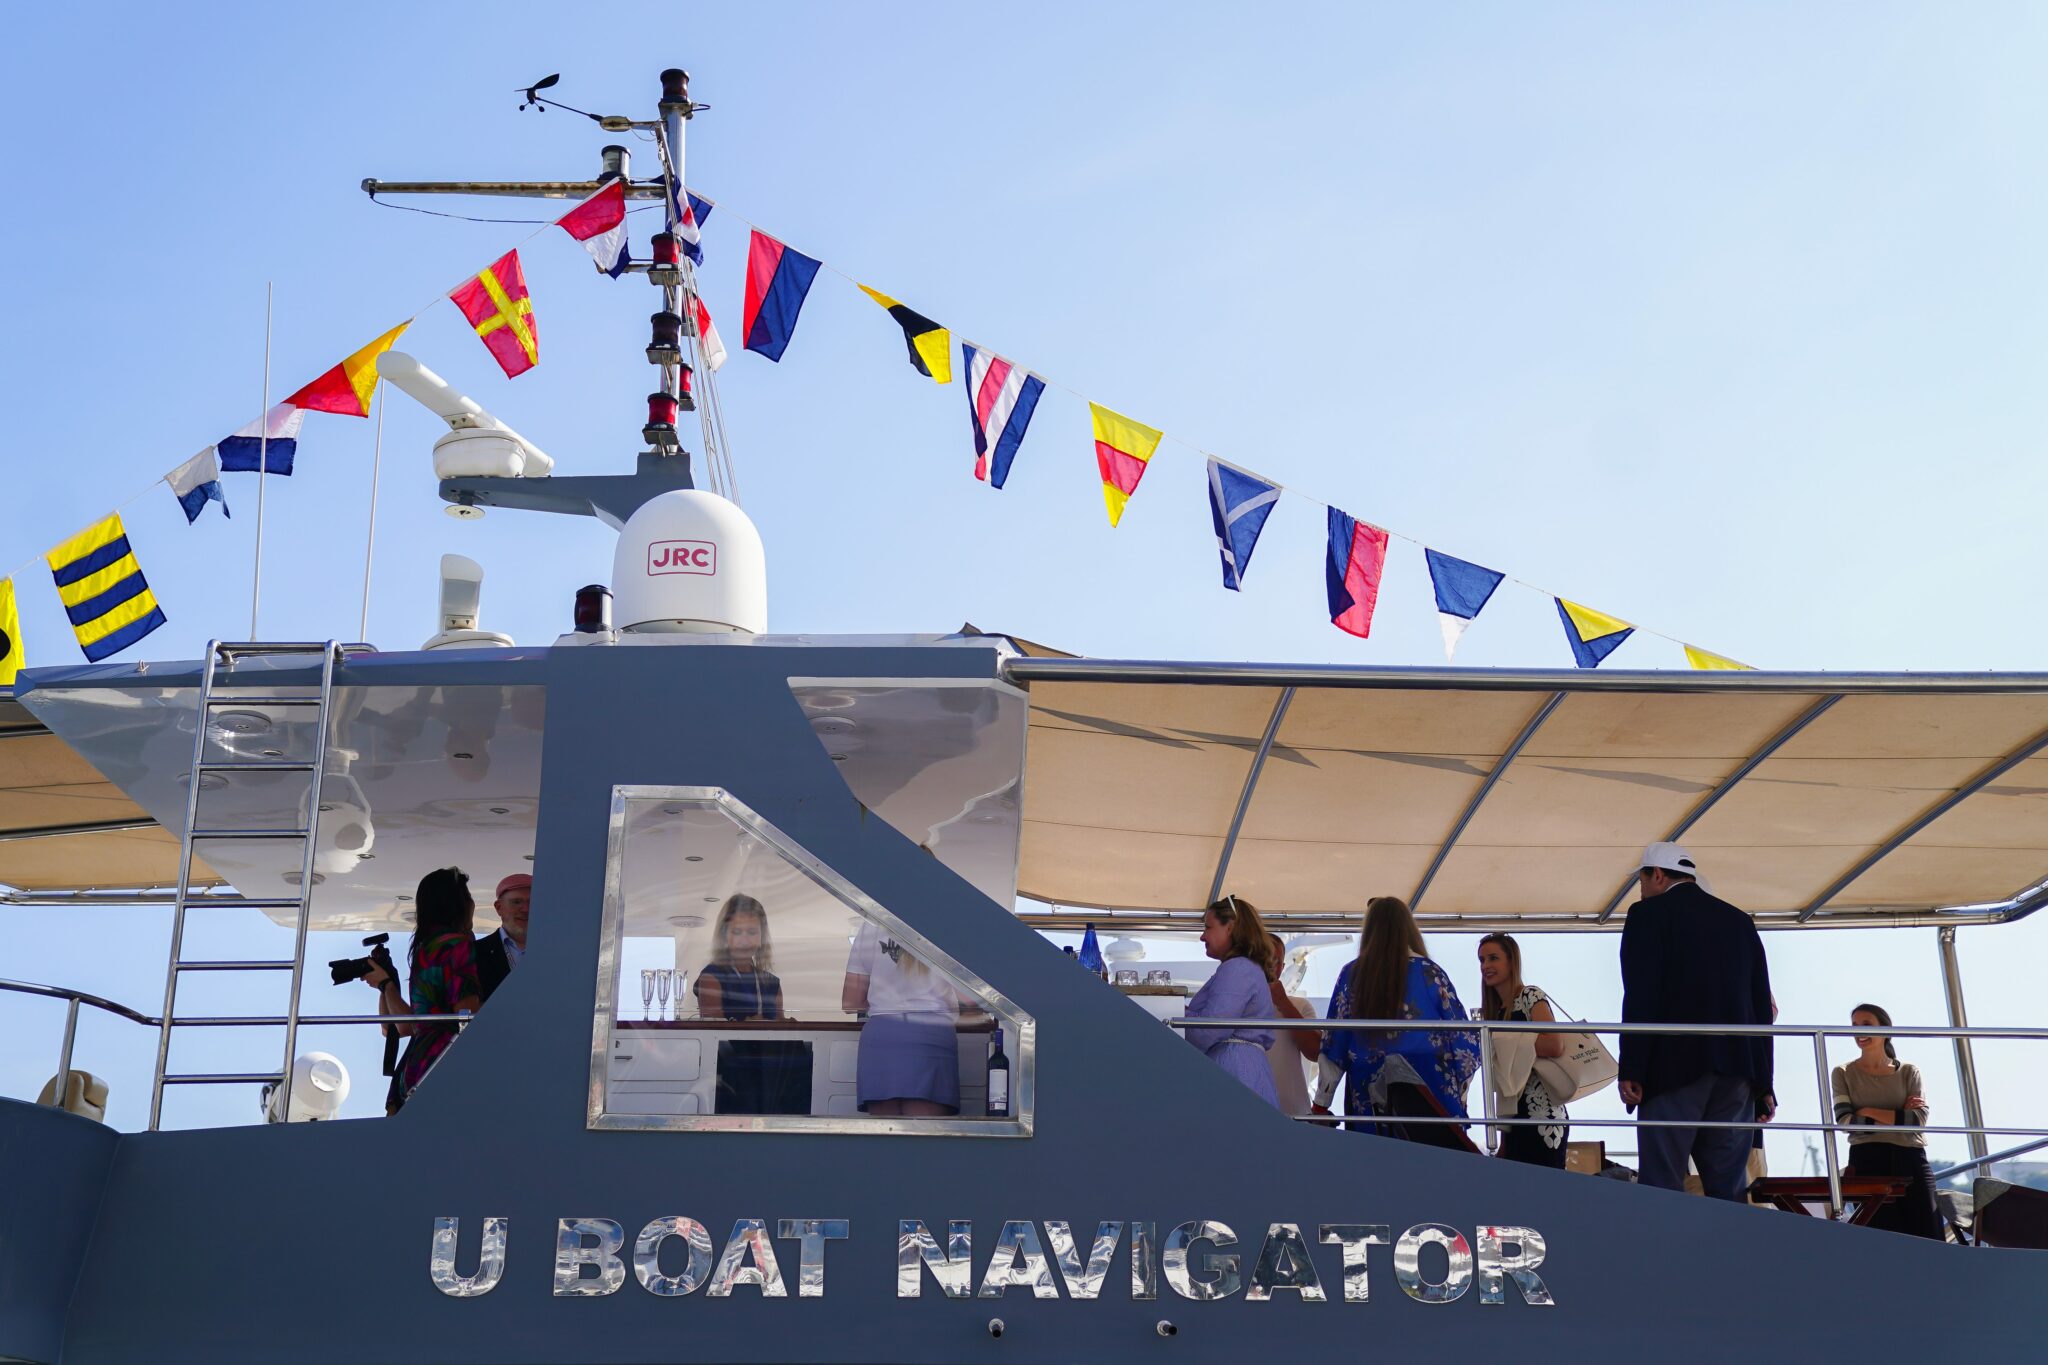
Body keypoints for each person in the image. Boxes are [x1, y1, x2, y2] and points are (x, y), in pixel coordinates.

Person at [1618, 841, 1775, 1200]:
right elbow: (1761, 1007)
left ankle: (1667, 1257)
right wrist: (1764, 1082)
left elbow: (1641, 993)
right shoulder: (1739, 921)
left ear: (1657, 875)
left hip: (1672, 1067)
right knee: (1729, 1191)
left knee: (1662, 1188)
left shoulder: (1648, 915)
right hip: (1738, 1072)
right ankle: (1729, 1256)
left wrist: (1633, 1067)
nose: (1640, 889)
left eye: (1640, 880)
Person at [1315, 896, 1479, 1141]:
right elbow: (1465, 1043)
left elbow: (1335, 1043)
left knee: (1377, 1172)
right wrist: (1459, 1097)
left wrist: (1321, 1102)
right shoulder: (1430, 973)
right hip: (1430, 1096)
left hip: (1367, 1097)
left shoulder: (1353, 974)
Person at [363, 867, 482, 1114]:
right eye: (468, 896)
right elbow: (469, 1017)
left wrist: (387, 986)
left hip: (415, 1067)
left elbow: (401, 1028)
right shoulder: (457, 945)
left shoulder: (424, 948)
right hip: (444, 1061)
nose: (473, 904)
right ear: (458, 903)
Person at [1832, 1003, 1942, 1239]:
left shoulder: (1909, 1071)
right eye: (1854, 1026)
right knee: (1880, 1237)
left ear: (1885, 1029)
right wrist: (1897, 1117)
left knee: (1930, 1235)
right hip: (1867, 1160)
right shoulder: (1842, 1073)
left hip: (1911, 1158)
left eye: (1866, 1024)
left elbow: (1916, 1121)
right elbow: (1845, 1121)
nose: (1858, 1031)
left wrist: (1868, 1110)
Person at [694, 894, 811, 1115]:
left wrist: (786, 1024)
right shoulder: (712, 977)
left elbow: (778, 1024)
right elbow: (711, 1030)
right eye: (737, 932)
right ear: (724, 935)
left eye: (752, 932)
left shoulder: (771, 982)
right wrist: (747, 1023)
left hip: (772, 1073)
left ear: (761, 937)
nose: (745, 940)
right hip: (732, 1074)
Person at [842, 921, 964, 1117]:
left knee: (885, 1141)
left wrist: (887, 996)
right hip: (931, 1033)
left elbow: (851, 1001)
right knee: (926, 1138)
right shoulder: (948, 923)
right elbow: (973, 997)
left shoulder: (872, 924)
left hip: (882, 1036)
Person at [1477, 933, 1569, 1168]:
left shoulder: (1529, 995)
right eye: (1482, 960)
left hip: (1541, 1112)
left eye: (1493, 958)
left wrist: (1506, 1043)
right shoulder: (1494, 1012)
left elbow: (1554, 1043)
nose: (1485, 966)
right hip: (1511, 1114)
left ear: (1511, 961)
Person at [1179, 897, 1281, 1107]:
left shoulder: (1238, 968)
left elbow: (1208, 1030)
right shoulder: (1245, 968)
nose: (1202, 936)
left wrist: (1172, 1011)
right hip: (1243, 1070)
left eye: (1208, 927)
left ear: (1230, 927)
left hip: (1234, 1071)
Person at [1263, 932, 1318, 1115]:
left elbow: (1315, 1051)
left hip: (1294, 1113)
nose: (1271, 966)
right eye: (1265, 958)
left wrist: (1283, 1003)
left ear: (1283, 967)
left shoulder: (1300, 1006)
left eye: (1277, 961)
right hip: (1248, 1110)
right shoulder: (1237, 1004)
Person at [473, 873, 530, 1003]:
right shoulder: (475, 952)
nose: (526, 909)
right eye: (517, 902)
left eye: (533, 902)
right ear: (499, 908)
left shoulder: (556, 952)